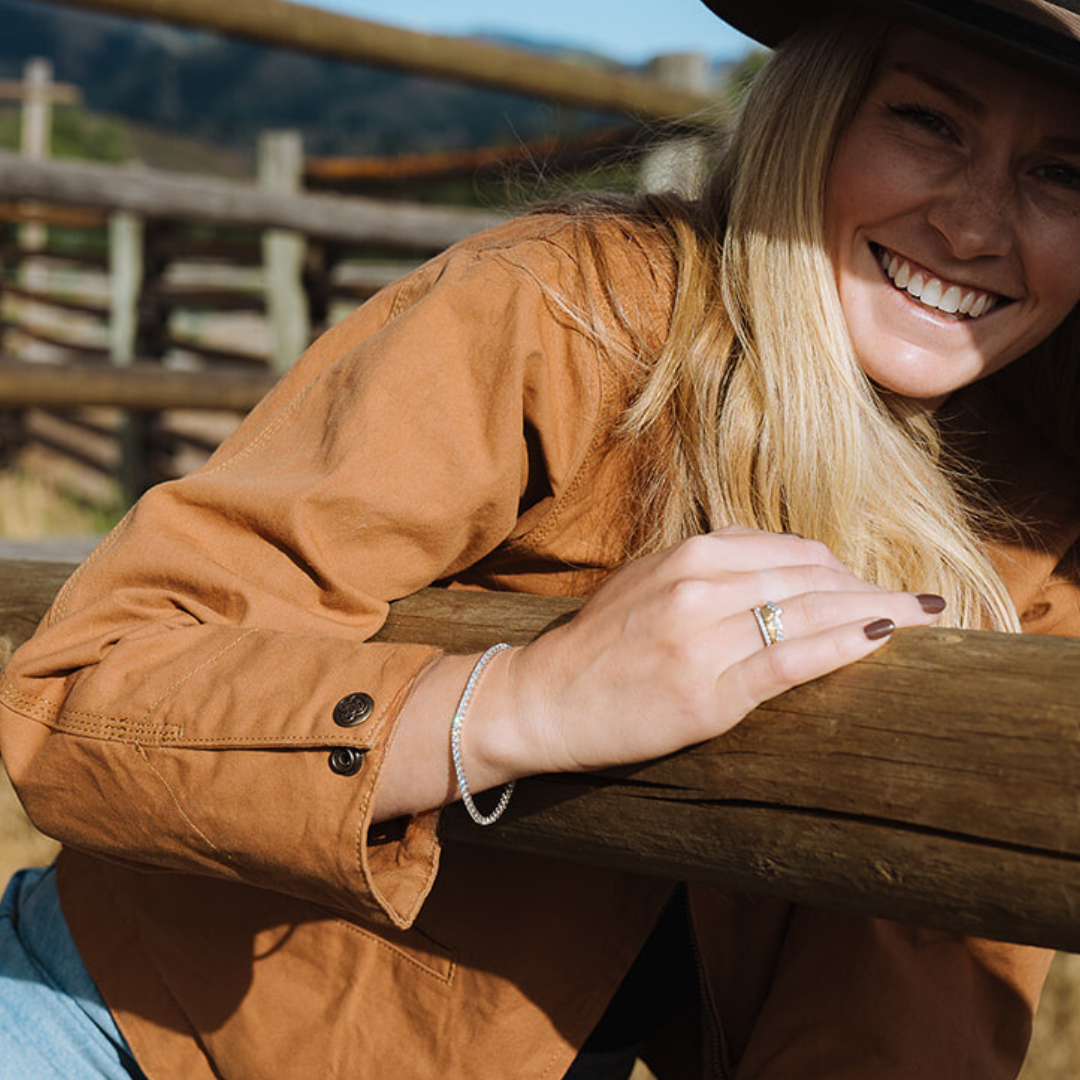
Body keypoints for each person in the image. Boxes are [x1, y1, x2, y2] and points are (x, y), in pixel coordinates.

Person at [2, 0, 1079, 1076]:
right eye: (929, 122)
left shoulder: (1039, 518)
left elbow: (908, 991)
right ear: (821, 110)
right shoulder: (576, 315)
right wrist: (518, 703)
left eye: (1063, 173)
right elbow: (88, 686)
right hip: (124, 1028)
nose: (977, 225)